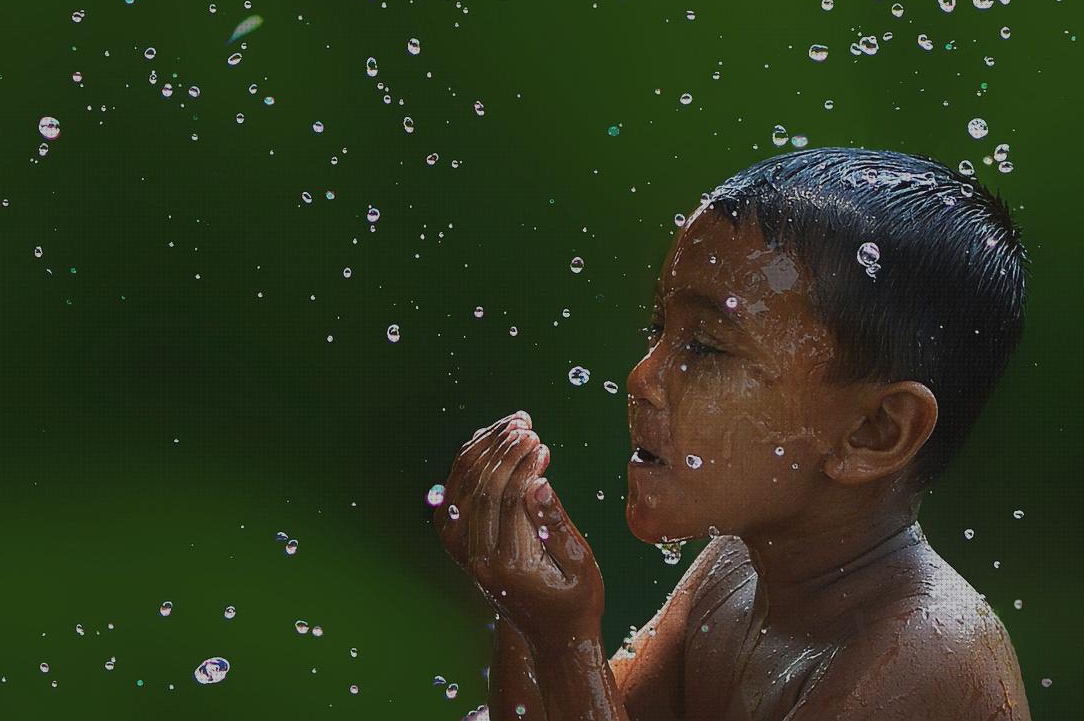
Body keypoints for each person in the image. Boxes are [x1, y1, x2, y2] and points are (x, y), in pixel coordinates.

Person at [436, 147, 1033, 720]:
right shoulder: (737, 572)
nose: (642, 377)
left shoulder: (928, 654)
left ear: (873, 431)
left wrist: (564, 644)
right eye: (657, 330)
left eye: (705, 346)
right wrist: (523, 612)